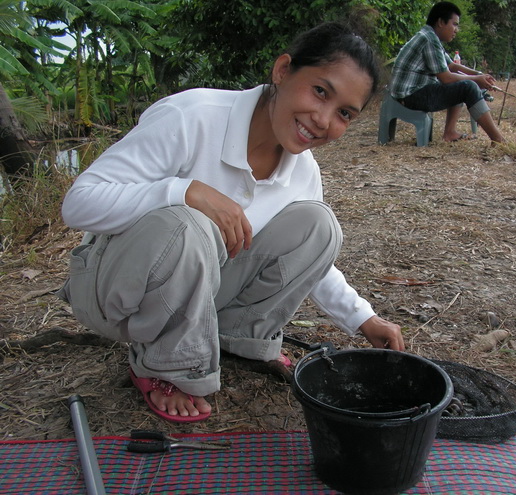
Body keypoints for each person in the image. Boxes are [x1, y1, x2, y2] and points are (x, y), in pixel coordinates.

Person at [57, 23, 404, 422]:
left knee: (318, 226)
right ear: (283, 71)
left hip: (201, 292)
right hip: (113, 290)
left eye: (344, 113)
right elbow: (79, 203)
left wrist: (363, 318)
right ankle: (164, 364)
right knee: (188, 225)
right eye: (320, 91)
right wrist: (184, 191)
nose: (324, 120)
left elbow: (310, 260)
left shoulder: (303, 172)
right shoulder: (192, 116)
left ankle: (237, 339)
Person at [389, 2, 503, 144]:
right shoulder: (428, 39)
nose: (456, 30)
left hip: (411, 92)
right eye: (454, 24)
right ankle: (498, 140)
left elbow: (451, 66)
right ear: (441, 22)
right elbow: (446, 78)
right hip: (411, 95)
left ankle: (450, 132)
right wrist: (476, 80)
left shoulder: (430, 36)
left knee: (463, 84)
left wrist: (479, 74)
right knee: (467, 87)